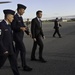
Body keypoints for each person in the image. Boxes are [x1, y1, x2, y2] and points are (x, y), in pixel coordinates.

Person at [11, 4, 32, 71]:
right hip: (17, 37)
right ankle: (24, 66)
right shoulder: (14, 17)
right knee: (23, 50)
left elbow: (23, 26)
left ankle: (14, 64)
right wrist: (20, 28)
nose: (24, 12)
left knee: (16, 51)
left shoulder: (20, 17)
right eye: (23, 10)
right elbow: (13, 27)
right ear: (19, 10)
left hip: (20, 37)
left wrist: (28, 32)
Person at [0, 9, 20, 75]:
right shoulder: (1, 25)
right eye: (12, 17)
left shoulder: (8, 26)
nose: (13, 18)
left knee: (14, 64)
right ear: (8, 17)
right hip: (4, 50)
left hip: (11, 49)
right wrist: (4, 50)